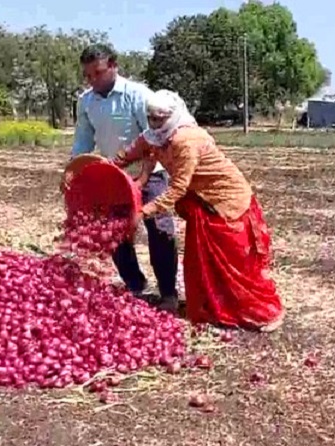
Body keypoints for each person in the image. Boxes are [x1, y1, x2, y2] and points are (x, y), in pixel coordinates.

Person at [114, 90, 284, 332]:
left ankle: (264, 313)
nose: (154, 123)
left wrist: (142, 212)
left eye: (159, 118)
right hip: (202, 204)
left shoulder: (186, 140)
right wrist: (101, 170)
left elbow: (178, 188)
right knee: (205, 264)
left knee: (237, 265)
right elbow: (126, 155)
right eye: (150, 117)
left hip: (226, 201)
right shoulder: (152, 136)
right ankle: (218, 310)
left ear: (172, 116)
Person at [65, 44, 179, 310]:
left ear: (114, 66)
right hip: (113, 178)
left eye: (98, 73)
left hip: (149, 175)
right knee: (115, 233)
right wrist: (72, 171)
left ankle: (168, 293)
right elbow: (83, 139)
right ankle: (135, 286)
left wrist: (142, 177)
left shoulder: (138, 95)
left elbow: (155, 140)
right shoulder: (86, 101)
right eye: (88, 75)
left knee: (160, 231)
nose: (93, 80)